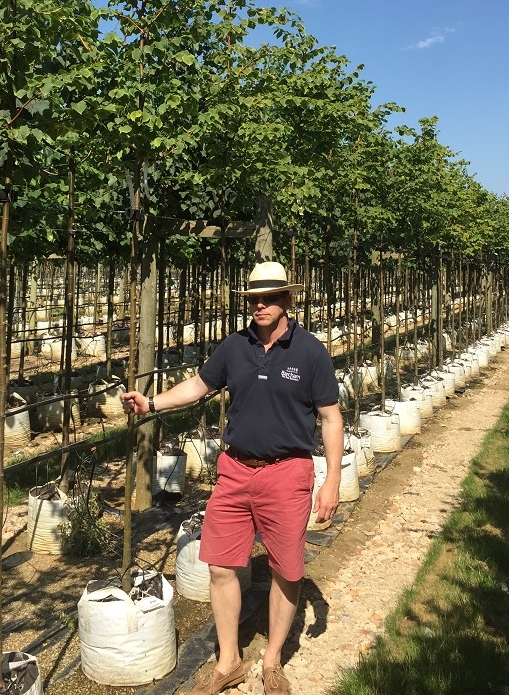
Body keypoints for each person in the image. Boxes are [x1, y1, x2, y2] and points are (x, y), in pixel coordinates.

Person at [122, 261, 344, 695]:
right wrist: (152, 403)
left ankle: (273, 659)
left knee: (287, 571)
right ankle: (229, 662)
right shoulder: (234, 346)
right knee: (221, 565)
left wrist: (331, 479)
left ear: (287, 300)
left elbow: (331, 420)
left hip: (287, 473)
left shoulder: (310, 352)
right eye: (253, 299)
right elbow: (198, 386)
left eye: (269, 298)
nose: (259, 305)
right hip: (235, 470)